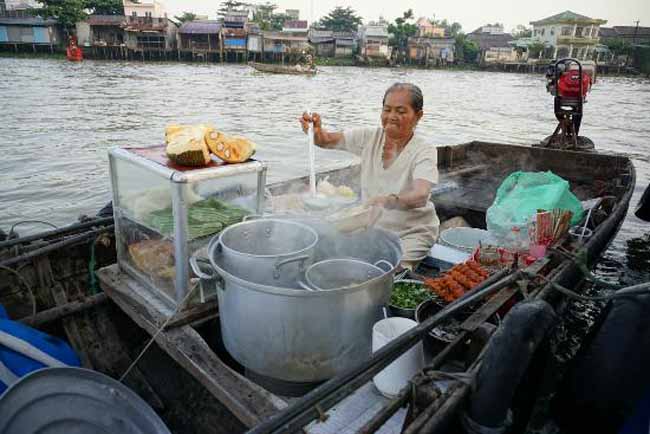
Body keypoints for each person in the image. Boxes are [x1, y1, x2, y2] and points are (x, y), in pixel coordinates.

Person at [299, 82, 439, 269]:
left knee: (388, 271)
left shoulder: (424, 151)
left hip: (412, 232)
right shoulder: (369, 137)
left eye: (401, 111)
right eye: (387, 110)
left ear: (418, 116)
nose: (392, 117)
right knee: (324, 252)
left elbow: (421, 195)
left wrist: (387, 201)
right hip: (372, 227)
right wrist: (314, 131)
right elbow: (325, 140)